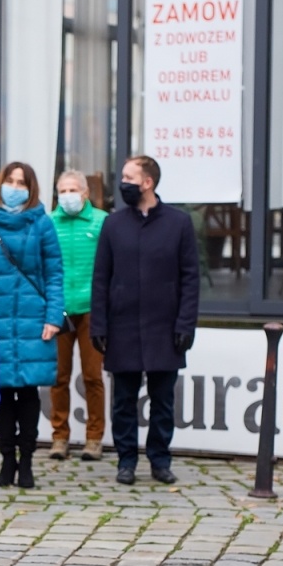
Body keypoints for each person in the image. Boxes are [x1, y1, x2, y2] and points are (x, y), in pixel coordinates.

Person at [89, 156, 199, 486]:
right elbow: (101, 278)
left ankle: (160, 460)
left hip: (165, 328)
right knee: (123, 402)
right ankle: (126, 460)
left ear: (147, 182)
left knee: (163, 401)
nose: (122, 182)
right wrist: (99, 325)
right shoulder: (114, 224)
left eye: (128, 176)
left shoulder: (179, 223)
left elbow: (190, 278)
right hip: (122, 328)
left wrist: (185, 325)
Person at [0, 161, 64, 489]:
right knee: (3, 394)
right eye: (10, 180)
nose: (15, 186)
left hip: (34, 319)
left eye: (22, 182)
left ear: (31, 188)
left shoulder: (43, 224)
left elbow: (54, 273)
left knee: (30, 391)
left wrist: (54, 316)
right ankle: (7, 460)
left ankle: (27, 462)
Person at [49, 170, 108, 461]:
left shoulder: (101, 221)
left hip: (92, 310)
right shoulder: (48, 222)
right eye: (63, 190)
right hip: (58, 310)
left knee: (92, 376)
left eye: (73, 190)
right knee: (58, 377)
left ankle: (94, 438)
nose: (68, 195)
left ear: (85, 193)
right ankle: (59, 437)